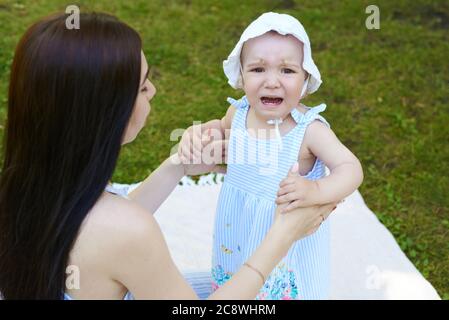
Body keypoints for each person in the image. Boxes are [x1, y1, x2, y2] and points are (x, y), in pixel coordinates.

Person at [0, 12, 338, 300]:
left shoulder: (24, 189)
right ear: (109, 112)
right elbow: (118, 232)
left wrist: (178, 165)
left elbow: (94, 225)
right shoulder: (130, 232)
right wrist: (283, 236)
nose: (155, 91)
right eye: (144, 86)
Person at [178, 12, 363, 299]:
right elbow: (223, 134)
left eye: (287, 71)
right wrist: (205, 132)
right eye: (258, 69)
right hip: (238, 228)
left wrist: (315, 189)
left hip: (286, 238)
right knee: (237, 281)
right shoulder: (238, 115)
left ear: (305, 81)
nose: (272, 81)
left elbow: (351, 168)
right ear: (241, 76)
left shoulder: (308, 131)